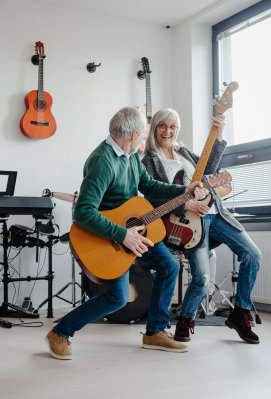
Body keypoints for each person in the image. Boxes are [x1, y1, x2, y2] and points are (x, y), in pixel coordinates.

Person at [45, 106, 208, 360]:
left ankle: (154, 332)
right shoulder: (102, 161)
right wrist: (123, 235)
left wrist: (185, 190)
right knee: (117, 298)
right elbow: (83, 212)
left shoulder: (131, 155)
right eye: (142, 135)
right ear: (133, 134)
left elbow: (148, 185)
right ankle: (59, 333)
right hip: (109, 238)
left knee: (169, 267)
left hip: (135, 231)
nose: (144, 140)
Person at [141, 108, 261, 344]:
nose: (168, 131)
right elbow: (153, 199)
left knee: (253, 255)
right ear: (154, 127)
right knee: (202, 277)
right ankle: (186, 318)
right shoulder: (149, 161)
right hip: (188, 222)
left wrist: (218, 134)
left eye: (173, 126)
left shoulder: (183, 151)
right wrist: (185, 206)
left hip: (217, 214)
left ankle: (240, 313)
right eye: (163, 126)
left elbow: (209, 171)